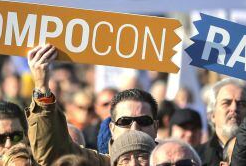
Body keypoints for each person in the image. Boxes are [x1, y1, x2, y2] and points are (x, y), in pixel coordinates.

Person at [26, 45, 159, 165]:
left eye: (144, 121)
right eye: (125, 121)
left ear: (156, 127)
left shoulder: (173, 159)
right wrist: (42, 87)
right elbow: (53, 155)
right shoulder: (96, 163)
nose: (134, 128)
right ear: (112, 128)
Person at [195, 78, 246, 166]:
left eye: (242, 104)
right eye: (226, 103)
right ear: (212, 114)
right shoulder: (195, 157)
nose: (234, 108)